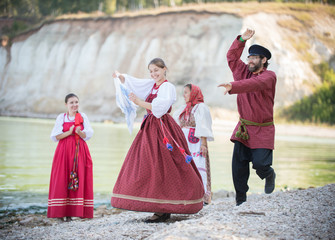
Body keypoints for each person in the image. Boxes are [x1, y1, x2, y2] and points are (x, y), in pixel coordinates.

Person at [111, 58, 204, 223]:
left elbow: (160, 109)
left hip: (162, 128)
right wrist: (121, 77)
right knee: (149, 166)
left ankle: (164, 209)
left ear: (164, 69)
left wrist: (139, 102)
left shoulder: (167, 87)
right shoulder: (152, 85)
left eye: (156, 70)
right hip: (150, 127)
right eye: (151, 71)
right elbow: (135, 83)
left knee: (163, 166)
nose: (154, 74)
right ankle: (159, 207)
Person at [218, 29, 277, 206]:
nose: (250, 60)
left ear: (264, 60)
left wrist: (233, 86)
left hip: (263, 128)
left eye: (254, 58)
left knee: (260, 165)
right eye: (249, 57)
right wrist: (241, 40)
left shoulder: (269, 76)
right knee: (238, 166)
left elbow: (254, 84)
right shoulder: (243, 71)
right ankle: (240, 200)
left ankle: (269, 174)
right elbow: (232, 57)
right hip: (243, 127)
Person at [48, 93, 94, 221]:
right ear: (66, 104)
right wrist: (69, 132)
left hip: (80, 150)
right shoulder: (61, 117)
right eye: (71, 102)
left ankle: (72, 213)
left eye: (76, 102)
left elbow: (88, 135)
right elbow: (55, 137)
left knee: (77, 178)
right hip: (63, 151)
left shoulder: (82, 116)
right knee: (62, 178)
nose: (74, 105)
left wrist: (80, 132)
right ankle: (60, 213)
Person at [173, 84, 214, 204]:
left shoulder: (201, 107)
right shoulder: (183, 108)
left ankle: (202, 196)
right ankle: (187, 195)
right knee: (186, 167)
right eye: (183, 92)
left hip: (196, 143)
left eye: (186, 92)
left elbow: (203, 125)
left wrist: (204, 144)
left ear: (193, 93)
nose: (184, 95)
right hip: (184, 143)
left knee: (199, 166)